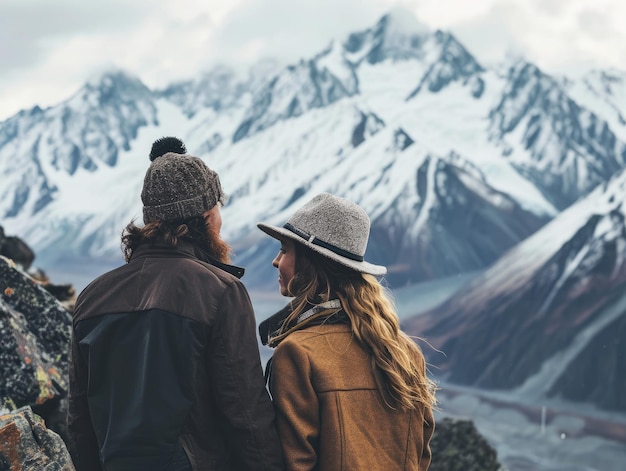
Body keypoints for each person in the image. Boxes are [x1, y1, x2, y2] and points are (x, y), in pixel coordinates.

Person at [67, 137, 284, 471]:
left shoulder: (92, 297)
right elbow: (245, 413)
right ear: (207, 216)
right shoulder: (219, 291)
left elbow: (80, 420)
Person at [257, 193, 437, 470]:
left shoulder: (297, 353)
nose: (276, 260)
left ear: (309, 262)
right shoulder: (404, 351)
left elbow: (295, 462)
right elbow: (420, 455)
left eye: (284, 249)